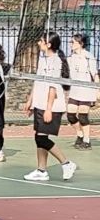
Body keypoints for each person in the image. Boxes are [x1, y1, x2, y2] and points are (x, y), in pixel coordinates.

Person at [23, 33, 77, 182]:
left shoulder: (56, 61)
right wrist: (30, 101)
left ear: (49, 44)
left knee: (41, 138)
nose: (38, 42)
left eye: (41, 41)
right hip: (40, 104)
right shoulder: (42, 59)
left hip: (51, 106)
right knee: (40, 137)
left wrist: (48, 109)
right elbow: (37, 81)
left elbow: (53, 88)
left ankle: (66, 163)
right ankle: (41, 170)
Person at [66, 34, 96, 151]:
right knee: (70, 115)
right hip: (75, 91)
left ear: (81, 44)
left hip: (86, 91)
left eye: (73, 42)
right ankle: (80, 134)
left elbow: (95, 74)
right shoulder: (70, 58)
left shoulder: (89, 57)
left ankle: (87, 141)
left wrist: (97, 90)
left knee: (83, 117)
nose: (70, 44)